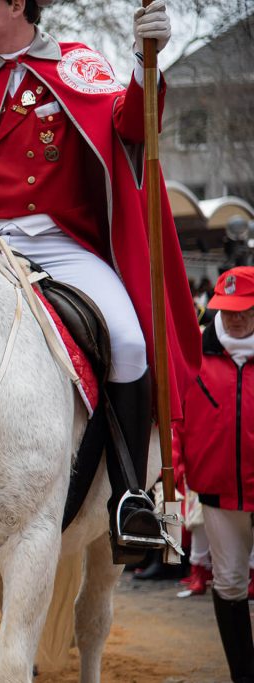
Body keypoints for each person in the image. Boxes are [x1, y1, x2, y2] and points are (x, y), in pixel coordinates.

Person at [0, 0, 201, 560]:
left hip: (60, 243)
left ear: (17, 4)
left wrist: (148, 65)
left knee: (131, 342)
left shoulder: (76, 65)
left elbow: (131, 124)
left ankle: (130, 496)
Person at [173, 267, 254, 682]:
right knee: (229, 585)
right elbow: (176, 419)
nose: (234, 318)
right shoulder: (193, 355)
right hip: (217, 493)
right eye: (227, 310)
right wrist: (177, 472)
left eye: (243, 310)